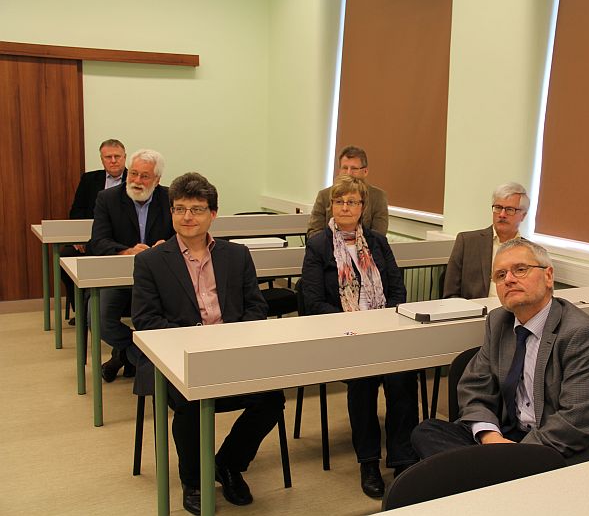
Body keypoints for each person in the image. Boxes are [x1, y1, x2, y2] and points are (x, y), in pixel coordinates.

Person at [131, 172, 285, 516]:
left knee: (271, 398)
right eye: (180, 209)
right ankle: (194, 481)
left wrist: (229, 341)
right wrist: (199, 339)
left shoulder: (237, 255)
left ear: (212, 214)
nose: (188, 216)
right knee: (190, 401)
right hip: (177, 359)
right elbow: (146, 320)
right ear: (171, 212)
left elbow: (256, 308)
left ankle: (227, 463)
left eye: (197, 209)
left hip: (232, 353)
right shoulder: (150, 262)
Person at [412, 238, 589, 465]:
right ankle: (494, 473)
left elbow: (577, 422)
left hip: (568, 448)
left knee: (458, 468)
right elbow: (475, 387)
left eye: (520, 270)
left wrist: (515, 455)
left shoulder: (581, 334)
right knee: (427, 431)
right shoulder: (499, 322)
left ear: (548, 276)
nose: (509, 279)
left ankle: (492, 473)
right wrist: (491, 437)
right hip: (510, 436)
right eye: (500, 275)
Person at [301, 175, 418, 498]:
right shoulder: (319, 245)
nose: (345, 207)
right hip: (343, 333)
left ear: (362, 207)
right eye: (339, 201)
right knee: (363, 380)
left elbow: (397, 290)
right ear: (331, 206)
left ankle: (403, 459)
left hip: (383, 330)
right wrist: (351, 323)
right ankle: (368, 462)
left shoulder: (378, 243)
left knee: (403, 376)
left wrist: (384, 320)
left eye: (352, 202)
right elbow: (313, 301)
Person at [87, 149, 174, 382]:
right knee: (98, 319)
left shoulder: (170, 198)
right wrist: (126, 251)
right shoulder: (107, 198)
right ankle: (134, 353)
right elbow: (98, 241)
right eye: (133, 173)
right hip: (118, 274)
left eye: (144, 176)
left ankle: (123, 356)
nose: (136, 180)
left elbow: (184, 236)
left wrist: (167, 246)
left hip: (160, 276)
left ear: (157, 179)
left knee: (174, 317)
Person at [61, 139, 128, 323]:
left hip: (123, 241)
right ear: (101, 159)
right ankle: (81, 312)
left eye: (117, 156)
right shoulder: (89, 179)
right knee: (66, 256)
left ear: (125, 157)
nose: (113, 161)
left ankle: (116, 309)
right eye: (108, 157)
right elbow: (77, 210)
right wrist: (79, 239)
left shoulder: (134, 180)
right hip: (92, 238)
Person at [443, 182, 528, 299]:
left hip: (514, 309)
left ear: (523, 215)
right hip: (475, 309)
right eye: (498, 208)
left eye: (509, 209)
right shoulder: (467, 242)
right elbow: (450, 294)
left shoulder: (529, 251)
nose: (502, 214)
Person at [307, 146, 389, 238]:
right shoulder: (324, 195)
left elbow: (379, 236)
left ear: (365, 171)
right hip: (328, 245)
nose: (349, 173)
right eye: (345, 168)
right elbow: (313, 233)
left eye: (354, 168)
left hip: (365, 246)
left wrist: (353, 244)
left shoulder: (378, 197)